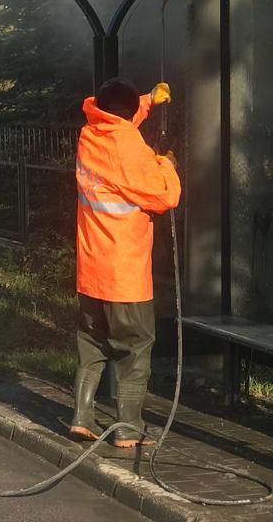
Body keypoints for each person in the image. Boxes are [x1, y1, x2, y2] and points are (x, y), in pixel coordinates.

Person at [70, 76, 181, 448]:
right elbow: (164, 197)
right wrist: (166, 164)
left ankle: (82, 418)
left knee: (92, 343)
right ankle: (128, 429)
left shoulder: (91, 136)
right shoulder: (130, 151)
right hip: (125, 276)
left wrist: (148, 100)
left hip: (91, 273)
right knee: (135, 348)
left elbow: (120, 121)